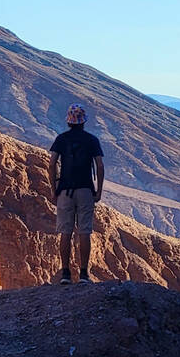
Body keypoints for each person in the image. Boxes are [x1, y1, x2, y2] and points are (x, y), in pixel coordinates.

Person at [48, 103, 105, 284]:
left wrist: (53, 189)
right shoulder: (92, 140)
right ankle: (84, 274)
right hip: (86, 190)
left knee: (65, 232)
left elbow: (51, 164)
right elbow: (100, 165)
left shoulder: (61, 139)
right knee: (84, 232)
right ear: (83, 122)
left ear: (69, 121)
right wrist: (99, 191)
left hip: (65, 190)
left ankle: (65, 274)